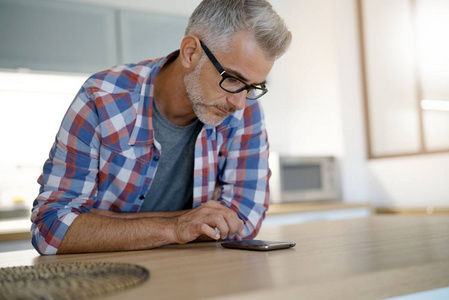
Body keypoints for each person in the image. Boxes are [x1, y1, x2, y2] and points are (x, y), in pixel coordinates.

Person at [31, 0, 292, 255]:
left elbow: (244, 219)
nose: (239, 102)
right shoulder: (101, 97)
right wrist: (176, 227)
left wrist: (100, 220)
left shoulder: (244, 112)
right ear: (190, 53)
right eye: (233, 79)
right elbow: (51, 228)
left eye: (253, 87)